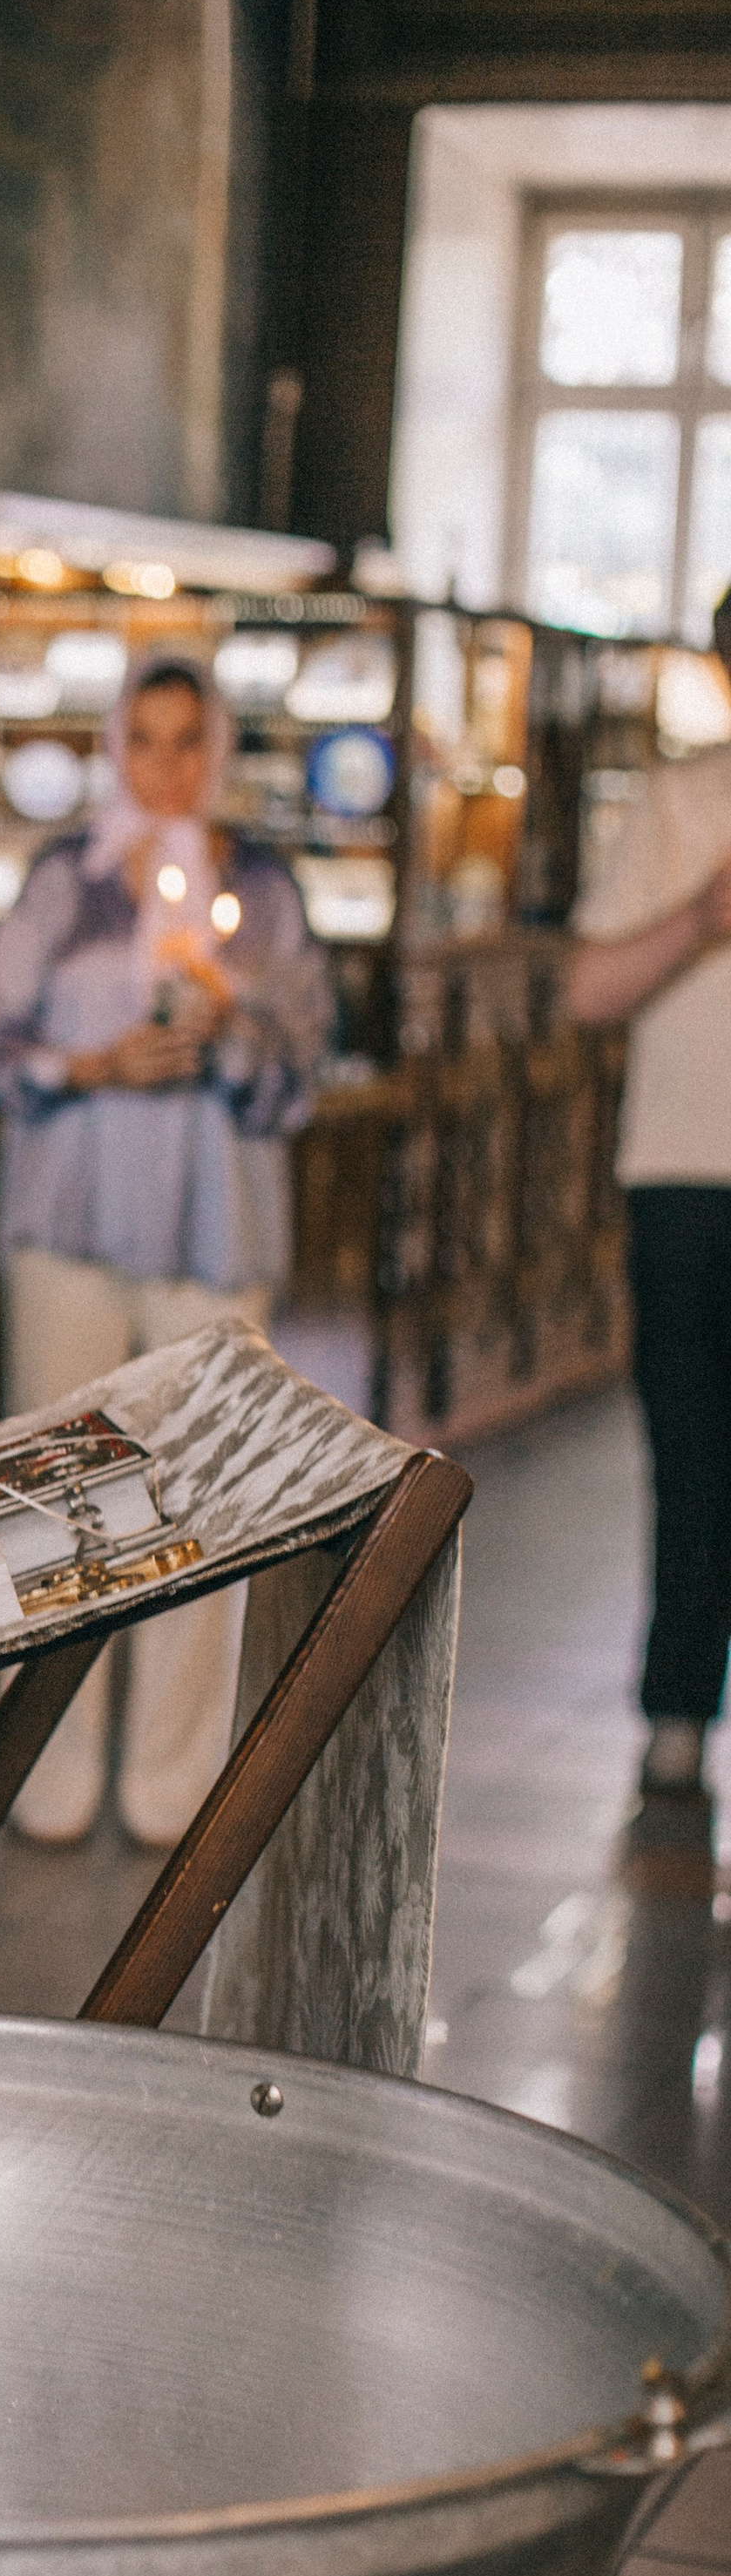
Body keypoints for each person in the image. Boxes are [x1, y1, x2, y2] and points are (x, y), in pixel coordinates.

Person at [0, 649, 329, 1847]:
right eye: (145, 740)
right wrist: (91, 1064)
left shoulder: (261, 889)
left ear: (218, 752)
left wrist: (233, 1029)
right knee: (55, 1502)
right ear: (114, 747)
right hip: (71, 1222)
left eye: (190, 742)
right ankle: (46, 1775)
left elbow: (301, 1074)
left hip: (213, 1230)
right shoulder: (64, 879)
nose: (167, 768)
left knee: (197, 1499)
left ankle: (173, 1782)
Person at [565, 585, 731, 1804]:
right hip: (686, 1176)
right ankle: (678, 1704)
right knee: (691, 1453)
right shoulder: (679, 802)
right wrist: (702, 919)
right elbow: (588, 991)